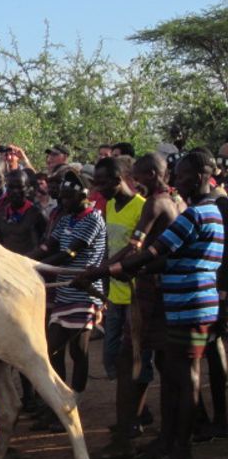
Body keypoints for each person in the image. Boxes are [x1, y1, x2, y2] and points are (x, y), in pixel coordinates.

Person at [79, 151, 223, 459]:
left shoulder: (195, 214)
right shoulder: (208, 211)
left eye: (183, 176)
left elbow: (150, 253)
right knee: (174, 377)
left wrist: (107, 270)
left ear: (201, 175)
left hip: (190, 305)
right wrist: (118, 269)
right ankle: (169, 443)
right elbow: (161, 260)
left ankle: (181, 452)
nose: (177, 181)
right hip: (187, 304)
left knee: (185, 380)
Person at [31, 170, 107, 430]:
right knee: (55, 351)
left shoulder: (93, 219)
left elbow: (68, 253)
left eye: (67, 197)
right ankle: (60, 403)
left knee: (75, 351)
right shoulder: (66, 218)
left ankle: (71, 402)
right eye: (61, 198)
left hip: (84, 293)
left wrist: (34, 267)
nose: (63, 202)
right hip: (65, 293)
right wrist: (22, 260)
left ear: (83, 195)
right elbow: (49, 246)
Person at [93, 156, 146, 381]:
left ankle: (138, 405)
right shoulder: (112, 206)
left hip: (136, 292)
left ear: (117, 180)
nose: (98, 189)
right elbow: (109, 244)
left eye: (102, 183)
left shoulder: (142, 206)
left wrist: (102, 269)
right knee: (111, 353)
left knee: (135, 351)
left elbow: (136, 249)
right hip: (115, 291)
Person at [0, 169, 46, 256]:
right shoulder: (0, 213)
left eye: (20, 187)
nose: (15, 191)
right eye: (11, 187)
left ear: (27, 189)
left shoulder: (37, 214)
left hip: (29, 264)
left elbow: (46, 244)